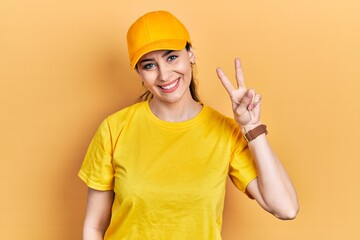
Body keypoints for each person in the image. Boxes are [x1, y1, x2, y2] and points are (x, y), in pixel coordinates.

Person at [78, 10, 299, 240]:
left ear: (190, 54)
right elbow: (94, 227)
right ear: (139, 73)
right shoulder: (114, 129)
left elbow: (286, 208)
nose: (164, 75)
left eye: (172, 57)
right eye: (149, 65)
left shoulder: (225, 132)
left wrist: (252, 127)